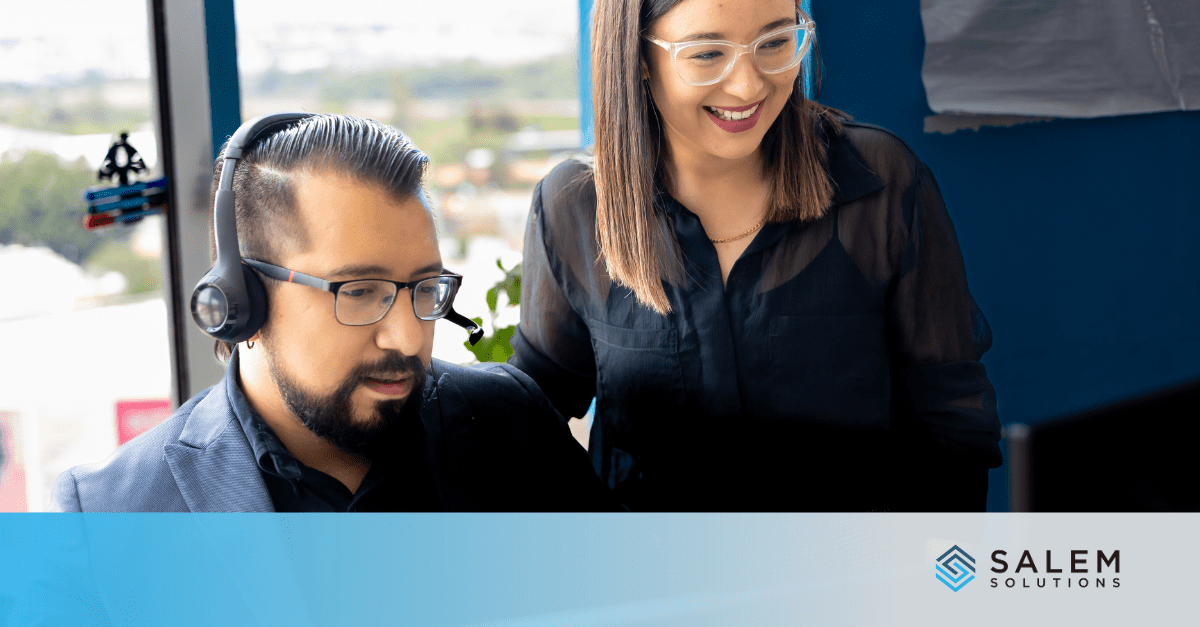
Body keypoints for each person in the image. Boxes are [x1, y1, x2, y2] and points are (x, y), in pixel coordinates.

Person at [510, 0, 1002, 511]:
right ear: (635, 56)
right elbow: (529, 413)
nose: (748, 86)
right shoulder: (572, 206)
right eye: (706, 54)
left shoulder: (880, 184)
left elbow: (952, 428)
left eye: (774, 43)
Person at [49, 113, 619, 512]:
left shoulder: (512, 428)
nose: (406, 335)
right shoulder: (108, 515)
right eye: (360, 291)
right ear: (242, 300)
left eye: (423, 287)